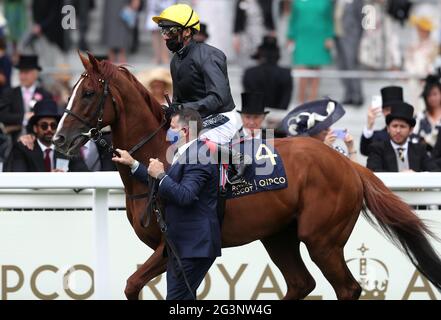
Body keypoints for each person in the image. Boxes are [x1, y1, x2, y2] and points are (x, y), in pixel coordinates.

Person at [112, 108, 221, 300]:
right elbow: (164, 185)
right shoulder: (186, 153)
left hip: (193, 245)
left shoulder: (199, 156)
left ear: (185, 131)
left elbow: (185, 196)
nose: (167, 132)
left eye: (172, 127)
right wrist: (133, 165)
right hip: (182, 244)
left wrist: (161, 175)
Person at [152, 3, 246, 182]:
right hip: (197, 120)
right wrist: (172, 110)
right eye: (163, 31)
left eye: (170, 31)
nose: (165, 37)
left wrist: (184, 108)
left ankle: (236, 159)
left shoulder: (209, 55)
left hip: (222, 117)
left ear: (187, 31)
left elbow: (219, 98)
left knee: (191, 146)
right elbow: (179, 100)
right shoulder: (175, 61)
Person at [4, 99, 88, 172]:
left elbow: (83, 174)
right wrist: (49, 178)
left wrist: (65, 177)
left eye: (53, 126)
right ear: (35, 128)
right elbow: (19, 177)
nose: (49, 129)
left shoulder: (68, 149)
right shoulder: (23, 148)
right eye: (44, 126)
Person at [367, 102, 439, 172]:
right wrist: (400, 176)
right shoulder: (377, 149)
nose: (398, 130)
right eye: (395, 126)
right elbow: (372, 172)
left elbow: (435, 171)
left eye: (402, 126)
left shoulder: (419, 150)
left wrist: (416, 176)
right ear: (388, 128)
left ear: (410, 130)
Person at [287, 0, 334, 103]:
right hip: (302, 37)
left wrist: (329, 36)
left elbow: (329, 19)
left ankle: (312, 100)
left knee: (316, 71)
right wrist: (290, 36)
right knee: (302, 70)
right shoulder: (297, 2)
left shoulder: (325, 2)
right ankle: (301, 100)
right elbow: (293, 19)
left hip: (319, 37)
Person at [282, 98, 358, 161]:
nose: (329, 130)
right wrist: (324, 148)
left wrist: (351, 148)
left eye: (328, 126)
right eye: (324, 128)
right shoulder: (302, 152)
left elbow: (356, 174)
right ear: (312, 133)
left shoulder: (335, 149)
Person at [243, 35, 293, 127]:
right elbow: (286, 99)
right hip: (277, 120)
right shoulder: (285, 73)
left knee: (262, 140)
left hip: (255, 120)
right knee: (272, 140)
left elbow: (248, 98)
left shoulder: (249, 72)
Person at [0, 55, 52, 142]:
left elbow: (50, 117)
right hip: (13, 142)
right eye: (21, 72)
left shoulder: (45, 95)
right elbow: (3, 115)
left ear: (35, 74)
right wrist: (24, 117)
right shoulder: (9, 93)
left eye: (26, 72)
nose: (22, 76)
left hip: (38, 141)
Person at [334, 0, 364, 106]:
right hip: (337, 36)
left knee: (352, 64)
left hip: (351, 36)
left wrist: (360, 36)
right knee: (342, 66)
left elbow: (361, 17)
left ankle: (357, 95)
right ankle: (348, 94)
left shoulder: (356, 1)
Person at [360, 86, 404, 156]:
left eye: (393, 109)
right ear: (382, 112)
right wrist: (369, 126)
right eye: (387, 110)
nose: (390, 113)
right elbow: (365, 150)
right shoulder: (377, 136)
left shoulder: (413, 134)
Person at [233, 0, 275, 67]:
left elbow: (269, 16)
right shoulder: (241, 2)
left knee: (261, 52)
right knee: (246, 52)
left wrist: (272, 31)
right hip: (245, 32)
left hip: (261, 31)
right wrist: (236, 37)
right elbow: (237, 20)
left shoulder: (265, 2)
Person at [414, 73, 441, 152]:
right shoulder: (419, 117)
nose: (432, 98)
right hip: (424, 160)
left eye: (435, 94)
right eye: (429, 95)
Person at [145, 0, 176, 65]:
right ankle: (157, 56)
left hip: (166, 7)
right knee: (155, 33)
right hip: (154, 8)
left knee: (166, 31)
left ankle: (164, 56)